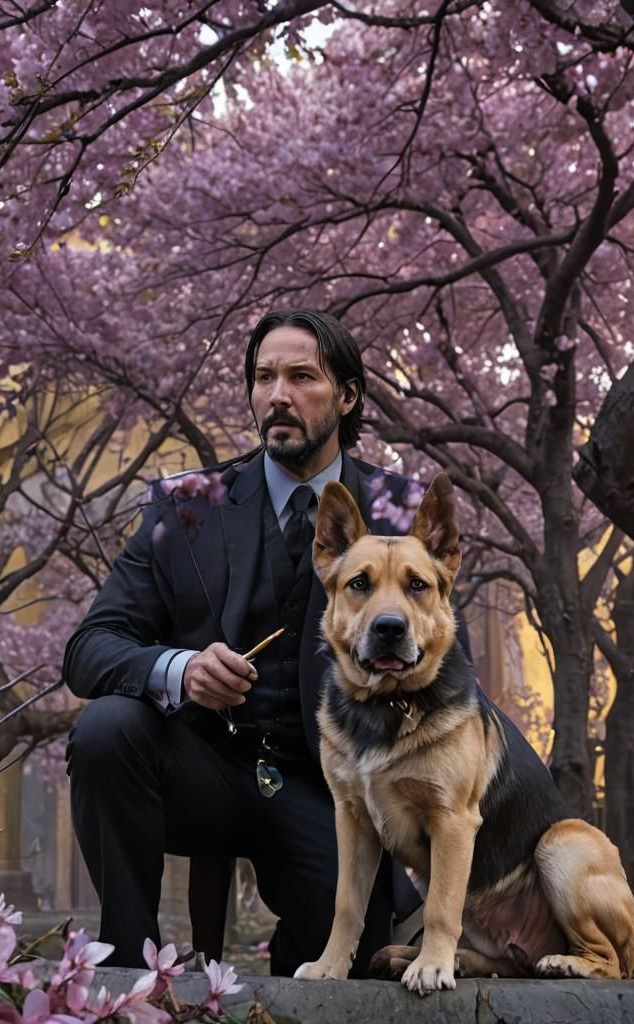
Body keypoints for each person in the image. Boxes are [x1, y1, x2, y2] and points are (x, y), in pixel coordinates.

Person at [64, 308, 465, 976]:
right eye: (263, 377)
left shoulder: (399, 509)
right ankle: (125, 975)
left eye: (300, 376)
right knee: (106, 728)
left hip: (333, 789)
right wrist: (181, 667)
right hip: (203, 770)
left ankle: (295, 951)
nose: (276, 394)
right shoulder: (185, 505)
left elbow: (451, 677)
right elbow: (89, 648)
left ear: (347, 395)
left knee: (356, 968)